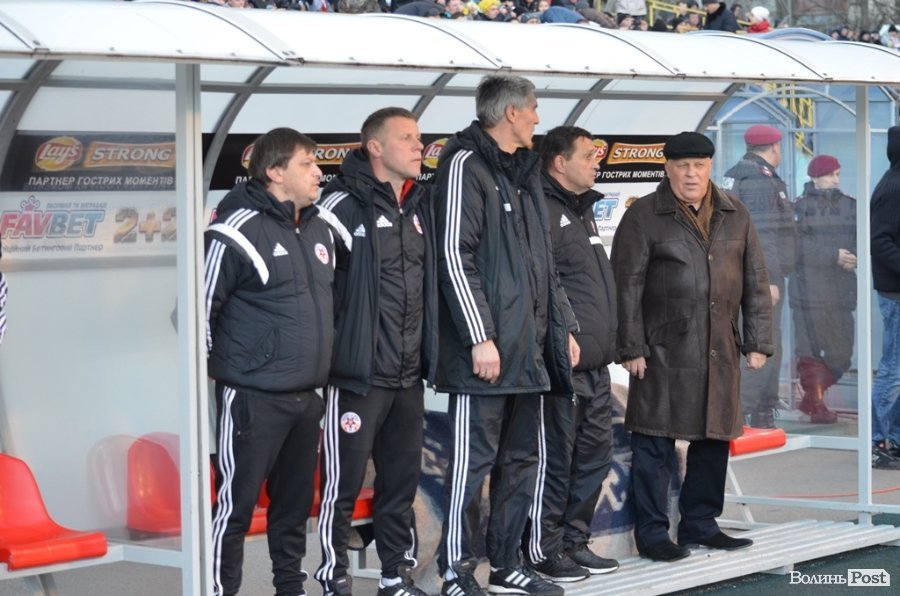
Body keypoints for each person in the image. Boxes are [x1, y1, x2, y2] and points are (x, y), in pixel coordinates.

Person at [433, 74, 578, 596]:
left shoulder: (525, 170)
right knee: (471, 468)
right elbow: (454, 255)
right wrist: (480, 336)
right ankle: (455, 573)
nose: (538, 118)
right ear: (511, 112)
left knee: (520, 464)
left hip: (529, 351)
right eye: (533, 108)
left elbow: (544, 263)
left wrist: (563, 327)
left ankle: (507, 564)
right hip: (486, 356)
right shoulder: (464, 163)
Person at [611, 131, 772, 563]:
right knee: (654, 443)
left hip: (721, 344)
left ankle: (701, 524)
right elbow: (625, 286)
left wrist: (757, 341)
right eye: (682, 166)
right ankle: (652, 534)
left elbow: (756, 279)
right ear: (667, 169)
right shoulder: (644, 215)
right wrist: (631, 346)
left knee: (713, 439)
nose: (691, 174)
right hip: (662, 350)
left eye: (699, 165)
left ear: (710, 167)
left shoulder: (736, 213)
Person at [205, 128, 333, 596]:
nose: (318, 172)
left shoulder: (319, 227)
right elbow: (196, 312)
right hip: (252, 398)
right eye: (307, 163)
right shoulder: (234, 229)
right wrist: (234, 369)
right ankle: (219, 590)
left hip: (306, 396)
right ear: (275, 171)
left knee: (294, 507)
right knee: (235, 507)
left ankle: (289, 587)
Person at [313, 107, 435, 596]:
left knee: (400, 483)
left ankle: (395, 576)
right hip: (357, 376)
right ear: (376, 147)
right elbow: (314, 288)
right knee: (342, 485)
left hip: (408, 374)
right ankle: (333, 577)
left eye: (419, 137)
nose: (419, 146)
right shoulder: (339, 205)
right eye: (407, 138)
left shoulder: (419, 204)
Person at [522, 126, 619, 583]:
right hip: (563, 365)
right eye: (587, 155)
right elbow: (541, 285)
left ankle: (573, 541)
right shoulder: (540, 208)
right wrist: (561, 335)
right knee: (556, 461)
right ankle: (543, 548)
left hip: (597, 363)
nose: (597, 162)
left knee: (594, 458)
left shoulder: (582, 209)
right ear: (560, 162)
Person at [723, 124, 794, 428]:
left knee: (758, 341)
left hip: (741, 273)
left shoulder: (737, 174)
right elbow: (763, 235)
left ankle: (761, 410)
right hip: (760, 277)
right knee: (762, 344)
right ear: (775, 147)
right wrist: (770, 279)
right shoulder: (759, 181)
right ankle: (742, 413)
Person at [789, 155, 855, 426]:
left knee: (842, 355)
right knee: (810, 354)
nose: (836, 180)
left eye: (838, 174)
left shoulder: (850, 205)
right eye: (830, 175)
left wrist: (855, 258)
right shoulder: (799, 207)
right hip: (808, 294)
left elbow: (863, 237)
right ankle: (816, 407)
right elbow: (795, 248)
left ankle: (810, 399)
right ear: (815, 177)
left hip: (841, 294)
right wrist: (834, 256)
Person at [870, 126, 900, 470]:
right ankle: (880, 442)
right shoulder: (893, 187)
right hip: (895, 293)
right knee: (892, 370)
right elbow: (880, 241)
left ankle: (894, 437)